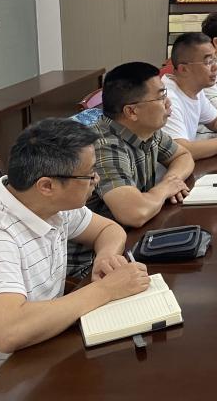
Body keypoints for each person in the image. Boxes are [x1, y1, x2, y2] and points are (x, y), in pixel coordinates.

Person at [0, 119, 151, 401]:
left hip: (35, 357)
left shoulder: (49, 203)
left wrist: (106, 256)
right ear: (46, 185)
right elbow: (9, 331)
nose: (96, 180)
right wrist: (106, 290)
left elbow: (108, 230)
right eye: (89, 175)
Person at [66, 62, 196, 277]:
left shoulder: (146, 130)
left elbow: (183, 156)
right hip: (92, 265)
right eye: (161, 97)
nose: (168, 103)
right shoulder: (104, 146)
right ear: (132, 111)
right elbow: (134, 213)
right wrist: (165, 189)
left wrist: (172, 180)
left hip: (129, 241)